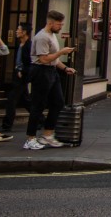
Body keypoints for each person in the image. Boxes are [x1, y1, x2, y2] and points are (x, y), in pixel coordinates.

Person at [24, 10, 77, 150]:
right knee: (38, 105)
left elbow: (53, 59)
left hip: (51, 71)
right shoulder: (42, 37)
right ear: (50, 23)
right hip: (41, 71)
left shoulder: (51, 35)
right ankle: (30, 138)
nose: (61, 27)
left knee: (58, 103)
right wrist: (61, 52)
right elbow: (43, 59)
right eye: (59, 24)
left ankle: (47, 135)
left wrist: (65, 68)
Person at [1, 22, 33, 133]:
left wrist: (22, 71)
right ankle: (40, 120)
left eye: (18, 29)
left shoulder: (29, 46)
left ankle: (7, 125)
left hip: (22, 76)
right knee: (26, 100)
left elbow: (31, 63)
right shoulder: (21, 44)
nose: (16, 31)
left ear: (24, 32)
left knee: (11, 100)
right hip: (18, 74)